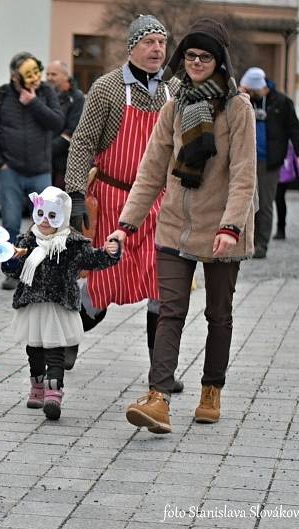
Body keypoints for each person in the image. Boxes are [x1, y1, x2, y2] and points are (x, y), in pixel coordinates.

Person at [108, 19, 256, 434]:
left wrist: (230, 226)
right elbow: (151, 171)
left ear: (219, 61)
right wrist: (126, 225)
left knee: (218, 314)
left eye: (204, 57)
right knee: (170, 310)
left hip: (222, 228)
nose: (195, 63)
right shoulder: (173, 107)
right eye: (190, 56)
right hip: (174, 226)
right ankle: (158, 399)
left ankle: (212, 389)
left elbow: (244, 175)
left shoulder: (237, 108)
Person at [63, 15, 182, 392]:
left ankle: (160, 372)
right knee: (102, 285)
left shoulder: (175, 89)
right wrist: (77, 192)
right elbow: (82, 143)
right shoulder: (108, 88)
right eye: (149, 42)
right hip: (115, 202)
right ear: (132, 46)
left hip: (160, 204)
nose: (157, 50)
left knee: (163, 286)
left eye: (162, 43)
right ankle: (64, 343)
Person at [2, 186, 120, 420]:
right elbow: (11, 271)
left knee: (56, 350)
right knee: (34, 350)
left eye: (52, 216)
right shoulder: (26, 242)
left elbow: (93, 259)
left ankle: (54, 393)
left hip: (59, 305)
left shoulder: (72, 245)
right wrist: (12, 261)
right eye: (41, 214)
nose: (45, 221)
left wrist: (109, 252)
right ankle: (37, 386)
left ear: (63, 217)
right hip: (32, 305)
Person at [0, 52, 64, 289]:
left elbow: (57, 123)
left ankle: (44, 272)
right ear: (14, 76)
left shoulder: (46, 92)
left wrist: (34, 103)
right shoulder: (0, 96)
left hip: (40, 169)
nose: (34, 78)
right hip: (11, 170)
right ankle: (13, 270)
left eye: (36, 72)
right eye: (27, 74)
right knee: (10, 223)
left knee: (47, 224)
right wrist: (0, 163)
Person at [238, 67, 299, 257]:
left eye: (250, 89)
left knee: (265, 203)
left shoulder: (281, 102)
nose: (249, 92)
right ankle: (249, 241)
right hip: (246, 159)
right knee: (247, 203)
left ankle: (262, 244)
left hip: (269, 161)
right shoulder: (245, 100)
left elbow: (295, 130)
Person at [45, 60, 85, 189]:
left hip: (64, 164)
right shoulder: (45, 95)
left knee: (59, 203)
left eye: (54, 74)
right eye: (48, 74)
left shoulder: (77, 98)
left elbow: (72, 130)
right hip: (44, 163)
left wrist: (47, 150)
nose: (49, 78)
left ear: (66, 76)